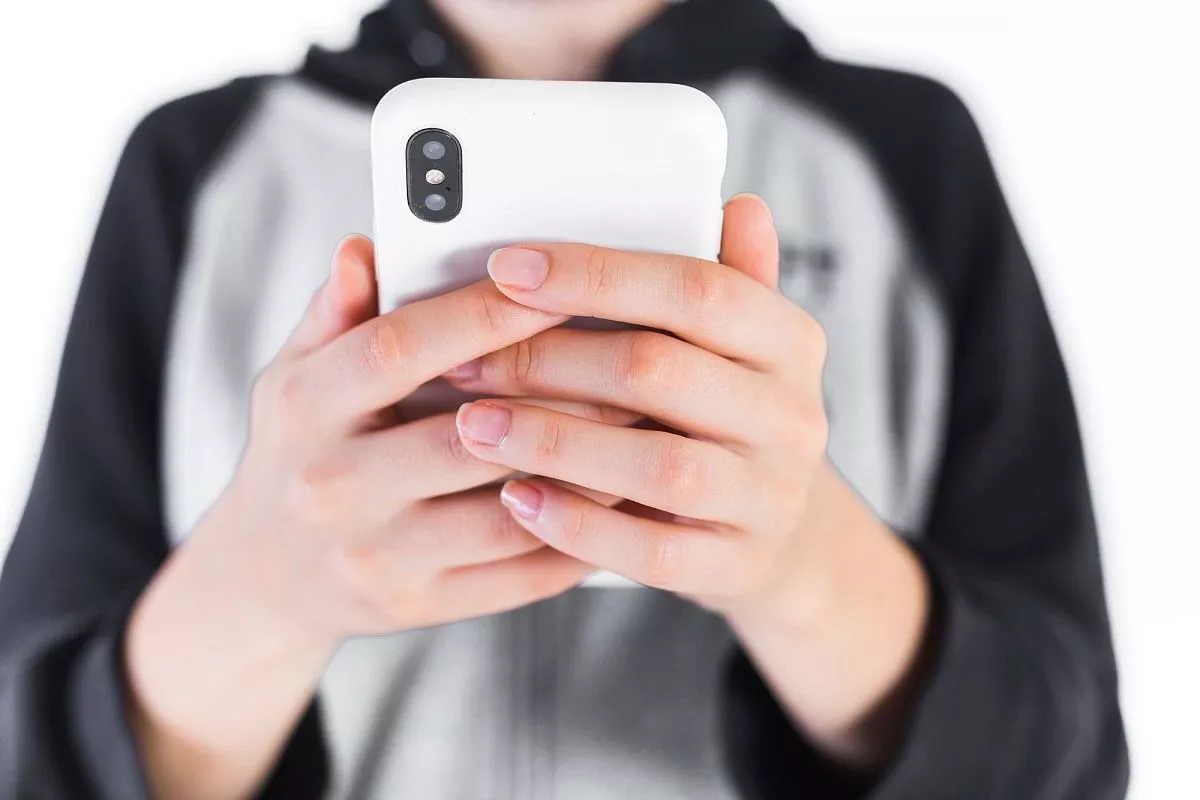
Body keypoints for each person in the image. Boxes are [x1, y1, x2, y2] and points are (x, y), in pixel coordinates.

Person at [0, 0, 1128, 798]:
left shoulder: (906, 151)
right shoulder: (198, 165)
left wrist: (803, 566)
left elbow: (1070, 762)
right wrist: (262, 588)